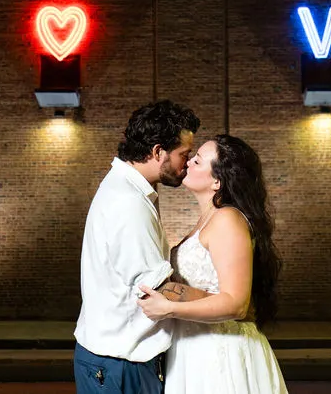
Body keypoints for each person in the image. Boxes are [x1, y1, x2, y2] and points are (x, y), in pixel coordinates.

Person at [137, 134, 288, 394]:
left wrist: (169, 308)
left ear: (217, 180)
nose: (188, 162)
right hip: (193, 349)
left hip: (222, 352)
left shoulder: (228, 219)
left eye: (197, 161)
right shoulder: (208, 219)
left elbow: (237, 303)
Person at [74, 99, 203, 394]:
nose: (187, 163)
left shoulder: (127, 190)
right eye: (184, 154)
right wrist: (228, 304)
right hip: (120, 363)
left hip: (114, 360)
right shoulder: (129, 203)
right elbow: (155, 291)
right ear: (158, 151)